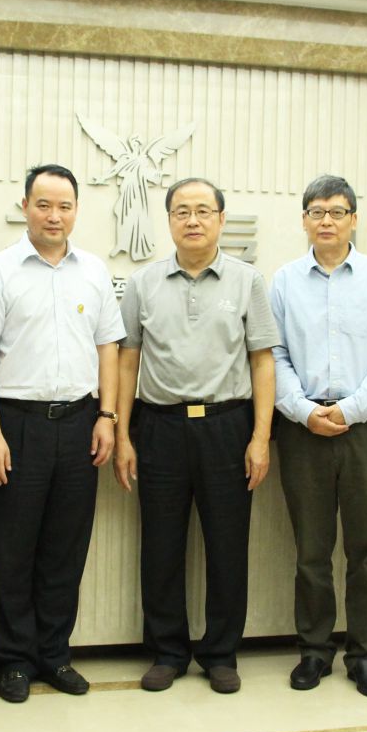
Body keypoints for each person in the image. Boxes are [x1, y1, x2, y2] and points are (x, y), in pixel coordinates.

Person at [0, 164, 123, 703]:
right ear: (25, 207)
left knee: (65, 549)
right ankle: (13, 660)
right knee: (12, 550)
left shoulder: (94, 271)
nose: (54, 216)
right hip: (17, 424)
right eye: (44, 205)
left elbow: (108, 348)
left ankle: (54, 654)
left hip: (80, 423)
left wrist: (107, 416)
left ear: (76, 210)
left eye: (65, 206)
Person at [114, 177, 276, 695]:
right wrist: (122, 435)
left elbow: (263, 361)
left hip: (228, 426)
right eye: (182, 211)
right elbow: (127, 360)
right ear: (169, 220)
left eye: (203, 210)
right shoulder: (143, 283)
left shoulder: (248, 281)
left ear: (221, 220)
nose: (193, 220)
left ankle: (221, 653)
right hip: (158, 426)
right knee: (160, 546)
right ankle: (167, 651)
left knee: (227, 546)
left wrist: (260, 438)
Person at [270, 174, 367, 698]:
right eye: (317, 212)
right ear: (304, 220)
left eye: (337, 211)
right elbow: (274, 355)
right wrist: (304, 412)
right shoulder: (284, 281)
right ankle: (314, 650)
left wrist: (351, 408)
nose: (326, 220)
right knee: (311, 549)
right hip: (303, 430)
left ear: (353, 219)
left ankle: (364, 656)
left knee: (366, 549)